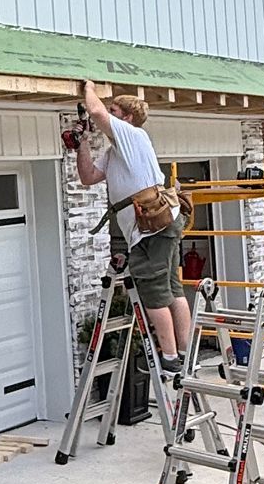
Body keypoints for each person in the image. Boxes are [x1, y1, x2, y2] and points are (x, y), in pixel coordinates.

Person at [74, 79, 192, 378]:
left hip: (151, 229)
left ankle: (169, 358)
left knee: (153, 291)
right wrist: (82, 143)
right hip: (157, 226)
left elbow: (98, 113)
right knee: (171, 287)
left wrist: (87, 88)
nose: (108, 113)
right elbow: (88, 177)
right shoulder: (116, 151)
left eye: (115, 109)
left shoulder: (132, 134)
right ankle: (185, 352)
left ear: (126, 117)